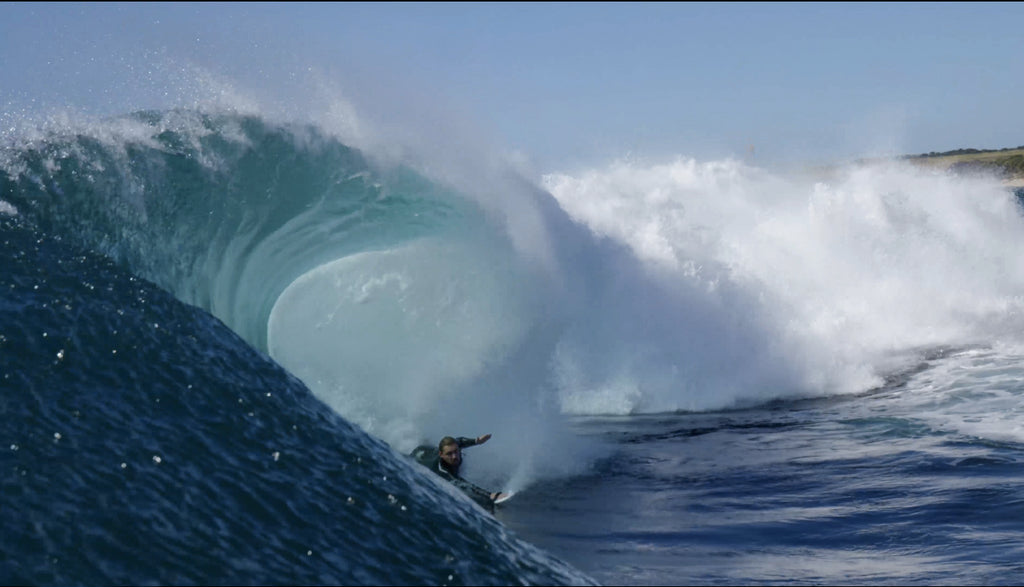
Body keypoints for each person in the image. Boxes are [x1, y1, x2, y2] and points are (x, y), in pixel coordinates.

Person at [410, 434, 506, 510]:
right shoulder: (442, 470)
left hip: (430, 450)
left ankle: (425, 440)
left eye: (456, 451)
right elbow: (461, 483)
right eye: (449, 454)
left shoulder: (454, 450)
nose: (455, 456)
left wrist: (477, 441)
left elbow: (459, 441)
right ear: (442, 455)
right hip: (419, 457)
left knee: (431, 445)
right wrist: (489, 495)